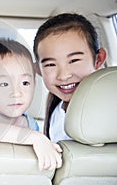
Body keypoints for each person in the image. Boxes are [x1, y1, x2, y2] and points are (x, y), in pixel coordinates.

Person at [0, 38, 62, 171]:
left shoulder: (30, 124)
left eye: (25, 83)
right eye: (4, 84)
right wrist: (35, 138)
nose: (16, 93)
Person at [33, 13, 107, 143]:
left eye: (73, 60)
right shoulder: (56, 110)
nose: (63, 76)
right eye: (50, 64)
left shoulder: (109, 112)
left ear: (98, 59)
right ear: (39, 70)